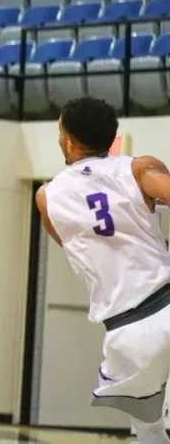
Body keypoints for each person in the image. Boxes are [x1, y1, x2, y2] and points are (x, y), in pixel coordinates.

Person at [35, 97, 170, 444]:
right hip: (165, 300)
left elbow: (73, 246)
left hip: (129, 333)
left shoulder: (47, 197)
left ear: (68, 141)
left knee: (148, 430)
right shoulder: (141, 169)